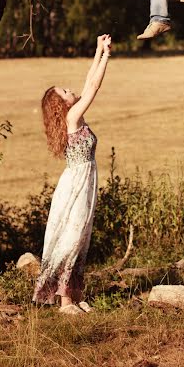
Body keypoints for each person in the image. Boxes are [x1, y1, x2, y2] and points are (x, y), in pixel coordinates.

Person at [32, 34, 112, 314]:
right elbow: (92, 86)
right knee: (72, 236)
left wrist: (99, 50)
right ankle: (65, 301)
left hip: (84, 181)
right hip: (76, 184)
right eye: (65, 91)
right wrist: (105, 57)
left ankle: (76, 295)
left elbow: (87, 80)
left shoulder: (74, 116)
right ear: (61, 105)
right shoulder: (72, 118)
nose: (71, 90)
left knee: (82, 236)